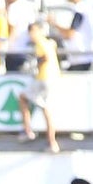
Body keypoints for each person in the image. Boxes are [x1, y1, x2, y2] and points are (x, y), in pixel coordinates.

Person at [18, 22, 61, 154]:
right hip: (52, 77)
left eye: (33, 31)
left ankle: (28, 131)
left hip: (43, 78)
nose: (32, 35)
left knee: (23, 97)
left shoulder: (40, 43)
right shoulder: (49, 42)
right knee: (46, 109)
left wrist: (35, 64)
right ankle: (51, 142)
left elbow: (45, 57)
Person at [47, 0, 93, 72]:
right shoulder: (82, 9)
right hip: (78, 58)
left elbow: (70, 34)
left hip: (81, 58)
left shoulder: (81, 9)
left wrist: (54, 24)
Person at [2, 0, 37, 72]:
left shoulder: (13, 7)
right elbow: (33, 27)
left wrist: (7, 45)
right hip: (26, 50)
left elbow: (13, 29)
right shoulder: (28, 6)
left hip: (14, 51)